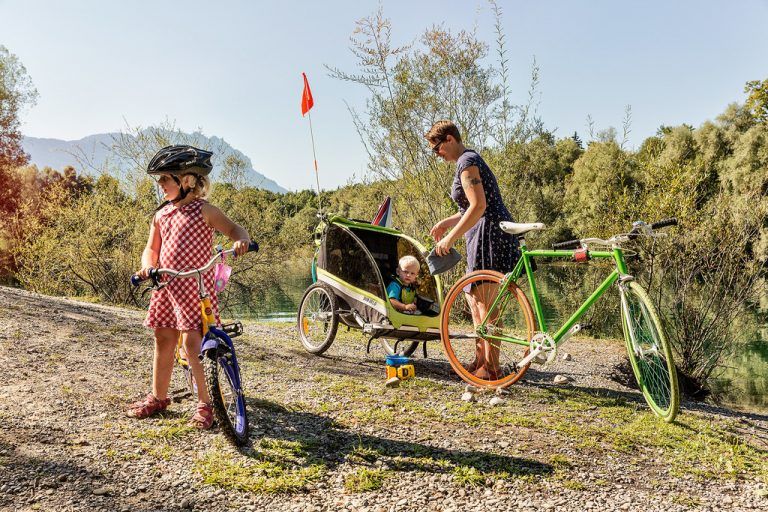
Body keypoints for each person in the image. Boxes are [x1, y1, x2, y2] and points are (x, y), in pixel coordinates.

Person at [126, 145, 251, 429]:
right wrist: (147, 265)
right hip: (166, 286)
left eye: (164, 180)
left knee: (192, 343)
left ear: (186, 180)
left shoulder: (205, 210)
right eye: (158, 181)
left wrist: (241, 241)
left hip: (195, 289)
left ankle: (206, 403)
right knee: (163, 338)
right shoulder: (161, 215)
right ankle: (158, 396)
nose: (160, 186)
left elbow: (235, 230)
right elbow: (151, 249)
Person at [426, 121, 519, 380]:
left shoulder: (467, 163)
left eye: (436, 148)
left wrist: (449, 240)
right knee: (475, 302)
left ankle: (491, 369)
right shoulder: (466, 162)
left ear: (449, 139)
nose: (437, 154)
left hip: (489, 235)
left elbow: (479, 207)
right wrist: (446, 224)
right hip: (480, 234)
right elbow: (467, 209)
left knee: (486, 307)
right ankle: (481, 361)